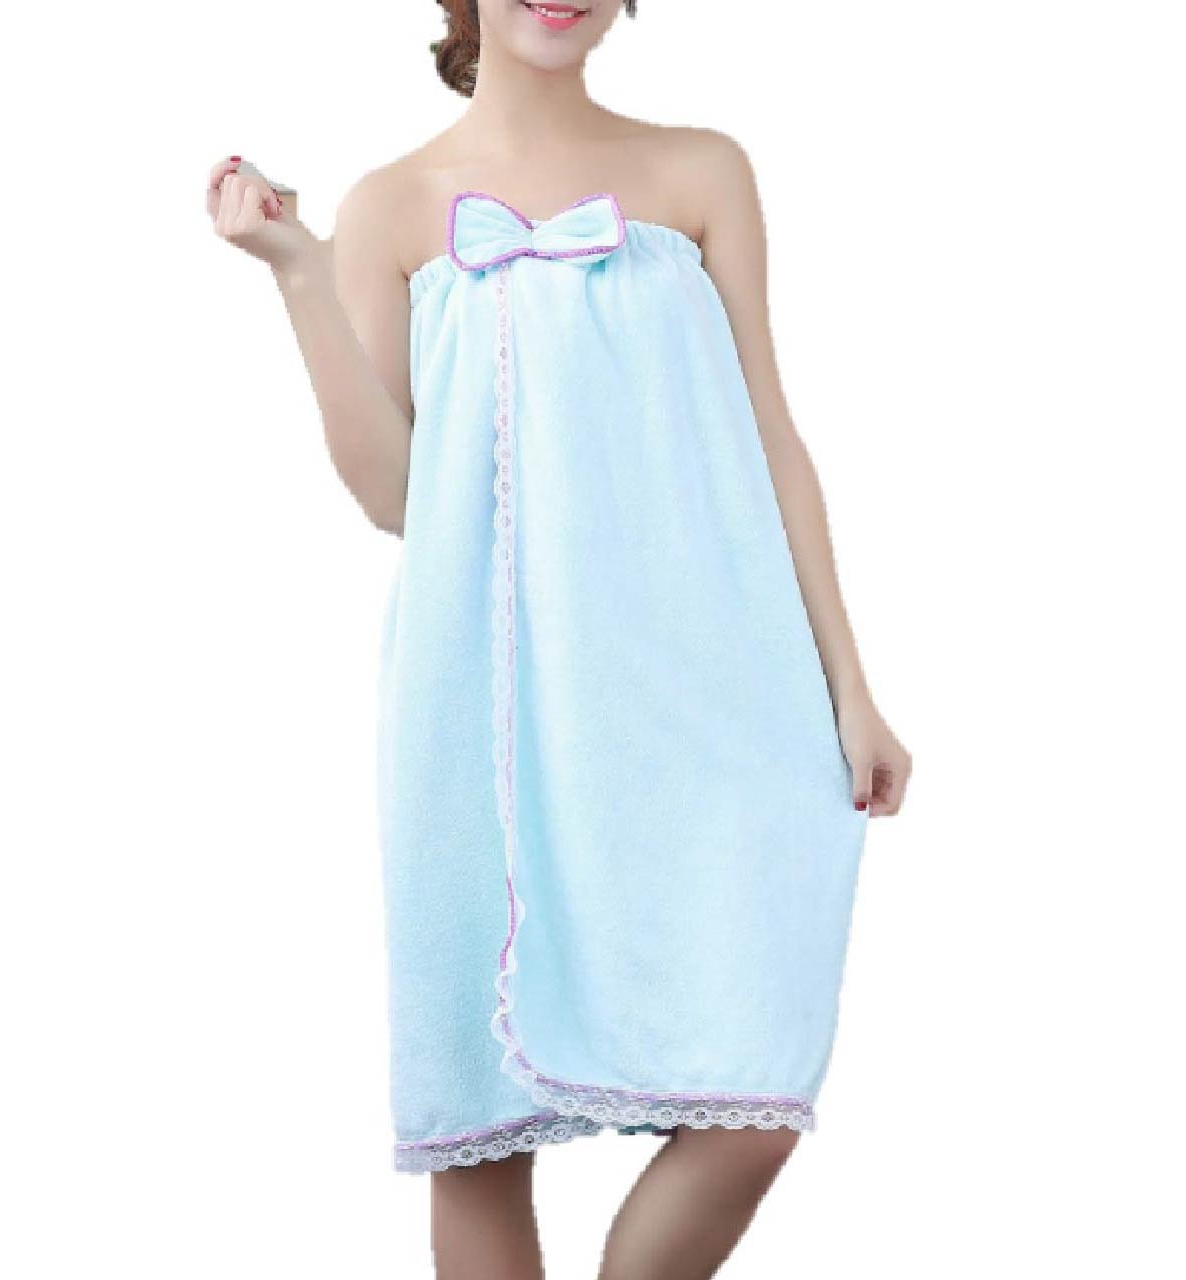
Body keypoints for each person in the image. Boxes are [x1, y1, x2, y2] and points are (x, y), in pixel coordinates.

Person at [205, 2, 912, 1276]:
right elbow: (395, 496)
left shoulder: (702, 171)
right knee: (479, 1132)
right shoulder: (391, 206)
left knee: (750, 1099)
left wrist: (849, 687)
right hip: (480, 690)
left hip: (714, 688)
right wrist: (300, 272)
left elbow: (770, 432)